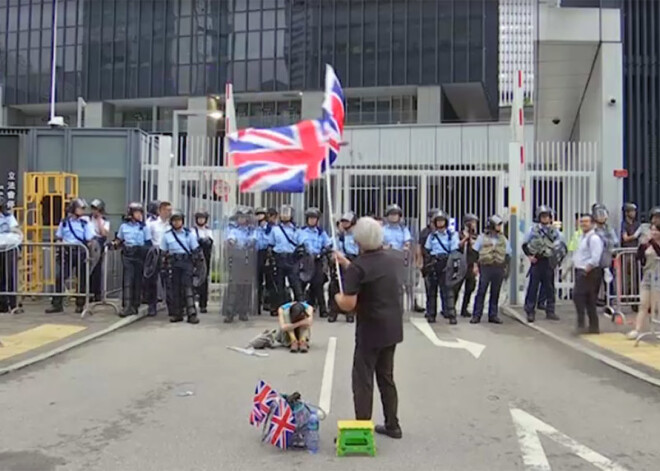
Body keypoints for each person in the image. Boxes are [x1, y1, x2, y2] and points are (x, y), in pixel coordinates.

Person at [334, 217, 404, 440]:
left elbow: (349, 304)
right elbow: (370, 270)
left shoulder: (358, 268)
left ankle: (362, 427)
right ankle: (393, 424)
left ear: (358, 240)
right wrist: (347, 264)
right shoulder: (392, 259)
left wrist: (337, 297)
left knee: (362, 379)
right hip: (391, 327)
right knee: (386, 376)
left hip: (370, 329)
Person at [46, 198, 95, 314]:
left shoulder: (85, 223)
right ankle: (57, 304)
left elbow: (89, 239)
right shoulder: (64, 222)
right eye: (80, 208)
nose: (82, 211)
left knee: (81, 279)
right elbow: (59, 236)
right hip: (67, 252)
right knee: (60, 277)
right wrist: (60, 244)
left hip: (80, 252)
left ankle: (80, 305)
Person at [522, 205, 564, 323]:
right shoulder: (533, 230)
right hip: (537, 261)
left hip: (549, 261)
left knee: (549, 288)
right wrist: (530, 256)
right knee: (533, 287)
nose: (545, 219)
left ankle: (550, 311)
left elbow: (561, 244)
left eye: (547, 216)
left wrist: (558, 258)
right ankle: (530, 311)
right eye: (543, 216)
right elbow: (524, 244)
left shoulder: (555, 231)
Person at [160, 210, 200, 324]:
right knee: (175, 289)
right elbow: (163, 252)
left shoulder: (189, 234)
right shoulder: (167, 235)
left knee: (188, 288)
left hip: (186, 262)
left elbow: (196, 251)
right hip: (174, 263)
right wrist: (163, 265)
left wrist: (196, 266)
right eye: (174, 220)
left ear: (182, 221)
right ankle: (177, 314)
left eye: (179, 220)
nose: (177, 223)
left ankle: (191, 314)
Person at [470, 215, 511, 324]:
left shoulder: (503, 239)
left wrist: (505, 267)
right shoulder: (482, 238)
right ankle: (476, 315)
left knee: (495, 292)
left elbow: (508, 254)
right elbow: (474, 252)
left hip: (498, 267)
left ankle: (493, 315)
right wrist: (475, 266)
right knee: (481, 291)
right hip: (485, 267)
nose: (499, 227)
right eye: (498, 225)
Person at [115, 202, 152, 318]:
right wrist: (114, 243)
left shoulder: (144, 227)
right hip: (127, 254)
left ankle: (135, 305)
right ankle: (127, 306)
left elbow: (148, 243)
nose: (139, 215)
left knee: (137, 281)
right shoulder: (124, 227)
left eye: (140, 212)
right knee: (128, 280)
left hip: (139, 255)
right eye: (137, 212)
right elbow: (119, 239)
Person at [424, 210, 460, 324]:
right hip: (434, 262)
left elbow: (454, 250)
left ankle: (451, 315)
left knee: (448, 291)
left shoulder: (451, 235)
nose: (440, 223)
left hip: (447, 262)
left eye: (442, 221)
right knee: (431, 291)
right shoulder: (432, 236)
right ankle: (431, 315)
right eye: (438, 221)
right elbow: (427, 249)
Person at [223, 207, 257, 323]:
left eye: (245, 217)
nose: (242, 220)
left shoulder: (252, 231)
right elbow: (230, 239)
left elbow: (253, 240)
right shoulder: (233, 230)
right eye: (241, 217)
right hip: (237, 259)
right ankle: (230, 312)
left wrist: (250, 242)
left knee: (246, 287)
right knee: (234, 286)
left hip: (248, 260)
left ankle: (244, 312)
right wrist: (232, 242)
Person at [572, 213, 604, 334]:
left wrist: (586, 269)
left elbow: (596, 257)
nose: (583, 224)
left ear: (592, 224)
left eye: (586, 222)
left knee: (579, 296)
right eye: (581, 222)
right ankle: (592, 326)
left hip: (589, 271)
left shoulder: (594, 238)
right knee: (588, 300)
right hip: (581, 270)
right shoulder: (581, 237)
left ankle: (583, 324)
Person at [627, 223, 660, 339]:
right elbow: (639, 257)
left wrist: (652, 242)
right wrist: (642, 246)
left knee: (657, 305)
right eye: (652, 230)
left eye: (657, 230)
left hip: (659, 277)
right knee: (643, 304)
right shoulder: (647, 244)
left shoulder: (654, 244)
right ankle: (637, 329)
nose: (654, 233)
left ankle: (657, 329)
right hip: (648, 276)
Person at [268, 204, 303, 312]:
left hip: (292, 258)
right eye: (283, 213)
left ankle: (301, 307)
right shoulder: (275, 229)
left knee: (295, 283)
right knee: (279, 284)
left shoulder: (296, 230)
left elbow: (300, 243)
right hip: (279, 258)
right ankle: (281, 308)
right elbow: (271, 244)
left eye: (287, 213)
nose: (285, 215)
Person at [298, 207, 332, 318]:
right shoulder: (301, 231)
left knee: (318, 285)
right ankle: (299, 309)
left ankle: (323, 309)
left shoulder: (321, 232)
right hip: (305, 260)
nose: (312, 221)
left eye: (314, 218)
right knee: (301, 285)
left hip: (317, 260)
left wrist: (324, 250)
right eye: (310, 218)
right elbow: (297, 243)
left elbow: (328, 244)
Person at [329, 211, 359, 323]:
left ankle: (350, 312)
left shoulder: (357, 236)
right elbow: (330, 246)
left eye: (347, 222)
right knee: (335, 286)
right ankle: (333, 311)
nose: (345, 224)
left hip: (352, 261)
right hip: (339, 261)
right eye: (343, 222)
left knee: (350, 288)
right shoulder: (338, 236)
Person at [145, 201, 172, 316]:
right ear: (160, 211)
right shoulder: (152, 225)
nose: (169, 212)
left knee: (168, 281)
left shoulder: (171, 226)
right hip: (156, 252)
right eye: (166, 210)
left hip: (167, 253)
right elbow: (148, 239)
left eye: (170, 210)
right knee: (153, 280)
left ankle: (171, 306)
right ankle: (152, 305)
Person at [85, 199, 110, 302]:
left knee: (97, 270)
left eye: (97, 209)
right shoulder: (87, 219)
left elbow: (104, 233)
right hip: (88, 244)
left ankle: (97, 293)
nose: (94, 211)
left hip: (98, 245)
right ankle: (87, 292)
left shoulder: (105, 221)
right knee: (87, 269)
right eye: (93, 209)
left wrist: (99, 220)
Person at [455, 213, 479, 318]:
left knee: (470, 287)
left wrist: (476, 265)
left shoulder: (476, 236)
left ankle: (464, 308)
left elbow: (477, 251)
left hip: (470, 264)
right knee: (456, 287)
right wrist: (465, 238)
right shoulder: (459, 234)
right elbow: (457, 246)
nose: (474, 225)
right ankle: (451, 308)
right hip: (460, 264)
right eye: (472, 222)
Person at [0, 195, 21, 313]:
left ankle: (13, 304)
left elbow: (15, 229)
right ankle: (2, 304)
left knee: (10, 276)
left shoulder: (8, 217)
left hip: (8, 249)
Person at [417, 209, 438, 319]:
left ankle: (447, 311)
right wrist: (419, 262)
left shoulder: (444, 231)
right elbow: (419, 248)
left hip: (441, 263)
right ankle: (431, 313)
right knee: (430, 289)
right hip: (428, 263)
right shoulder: (425, 232)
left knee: (445, 290)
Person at [192, 210, 213, 314]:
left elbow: (210, 242)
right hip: (196, 257)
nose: (201, 220)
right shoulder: (193, 230)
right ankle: (192, 302)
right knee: (195, 279)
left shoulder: (208, 230)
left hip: (206, 256)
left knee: (204, 280)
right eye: (199, 218)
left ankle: (203, 304)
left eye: (203, 218)